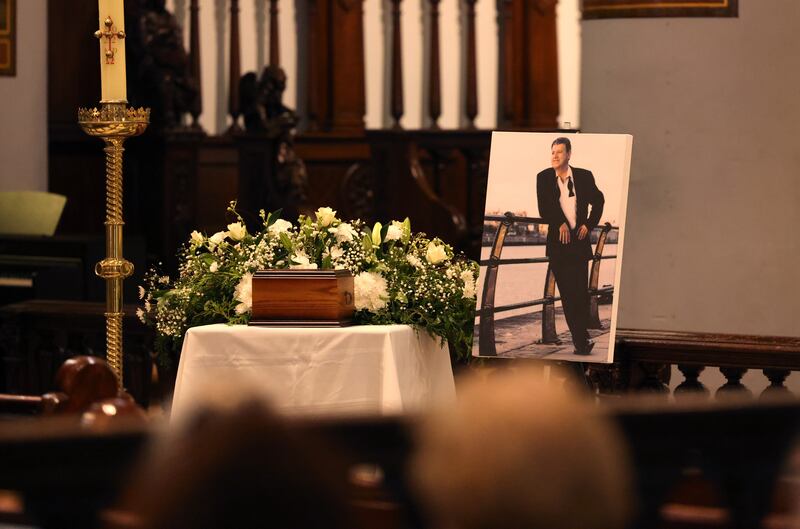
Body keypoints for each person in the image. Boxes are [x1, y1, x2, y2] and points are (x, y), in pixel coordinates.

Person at [537, 137, 604, 355]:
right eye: (552, 152)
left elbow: (599, 200)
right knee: (567, 293)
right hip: (558, 246)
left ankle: (581, 336)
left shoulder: (584, 176)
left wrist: (589, 224)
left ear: (569, 154)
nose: (554, 156)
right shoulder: (544, 177)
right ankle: (581, 340)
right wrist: (559, 223)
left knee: (580, 293)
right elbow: (544, 209)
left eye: (559, 152)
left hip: (579, 245)